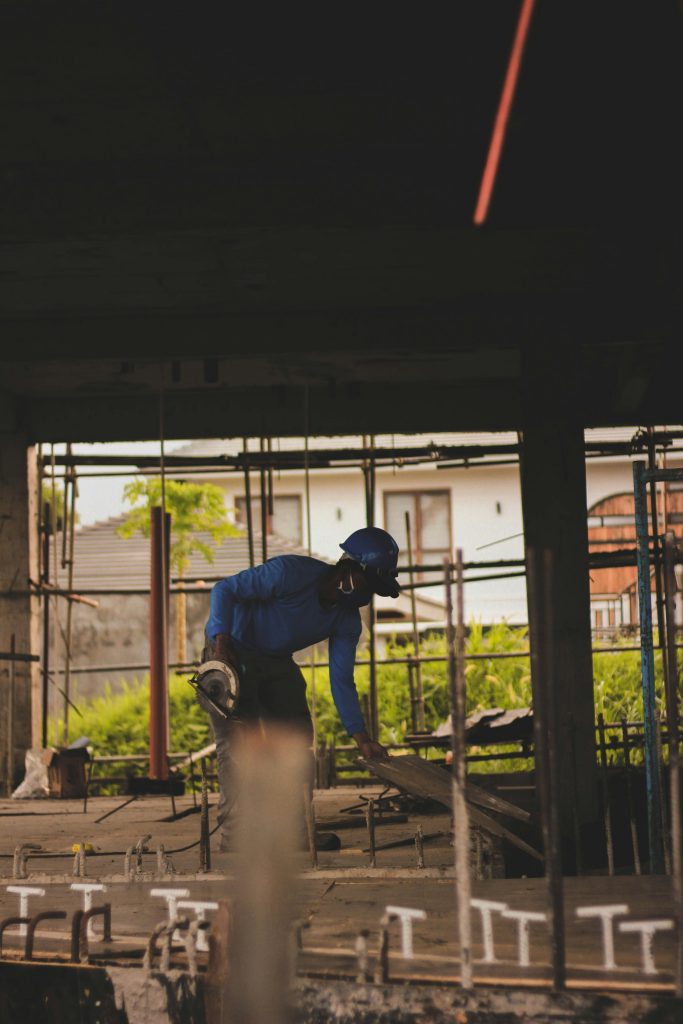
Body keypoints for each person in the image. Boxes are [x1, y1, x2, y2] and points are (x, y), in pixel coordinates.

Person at [198, 526, 401, 850]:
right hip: (229, 648)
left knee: (295, 740)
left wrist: (361, 737)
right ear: (349, 568)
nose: (368, 595)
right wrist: (222, 646)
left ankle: (296, 832)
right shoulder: (291, 573)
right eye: (370, 584)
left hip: (275, 658)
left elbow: (341, 679)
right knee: (236, 744)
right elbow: (224, 590)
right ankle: (236, 838)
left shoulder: (347, 621)